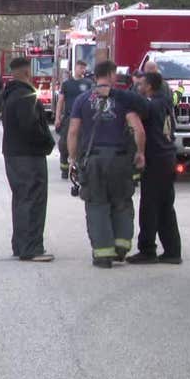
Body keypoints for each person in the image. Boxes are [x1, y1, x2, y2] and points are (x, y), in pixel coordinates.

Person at [68, 60, 147, 269]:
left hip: (93, 160)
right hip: (120, 160)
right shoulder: (122, 99)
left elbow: (73, 132)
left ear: (95, 77)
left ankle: (103, 255)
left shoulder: (82, 100)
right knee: (122, 202)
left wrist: (73, 159)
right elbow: (138, 130)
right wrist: (140, 153)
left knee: (97, 205)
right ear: (112, 75)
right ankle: (120, 248)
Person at [1, 56, 56, 262]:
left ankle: (20, 244)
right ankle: (31, 248)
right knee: (33, 200)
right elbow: (31, 126)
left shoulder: (9, 94)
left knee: (21, 199)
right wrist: (47, 142)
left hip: (13, 154)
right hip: (29, 156)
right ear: (26, 72)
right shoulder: (26, 96)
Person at [128, 72, 182, 265]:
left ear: (149, 86)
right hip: (168, 158)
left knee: (149, 207)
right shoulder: (165, 102)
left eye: (141, 84)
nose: (138, 86)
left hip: (156, 160)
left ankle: (147, 250)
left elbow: (137, 121)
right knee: (166, 207)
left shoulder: (151, 105)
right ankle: (173, 251)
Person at [54, 60, 93, 179]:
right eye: (81, 67)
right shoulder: (67, 84)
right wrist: (57, 117)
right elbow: (60, 101)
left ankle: (79, 169)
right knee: (64, 144)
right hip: (69, 118)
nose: (83, 70)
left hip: (84, 119)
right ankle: (64, 169)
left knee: (82, 144)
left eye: (84, 68)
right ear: (75, 68)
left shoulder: (89, 83)